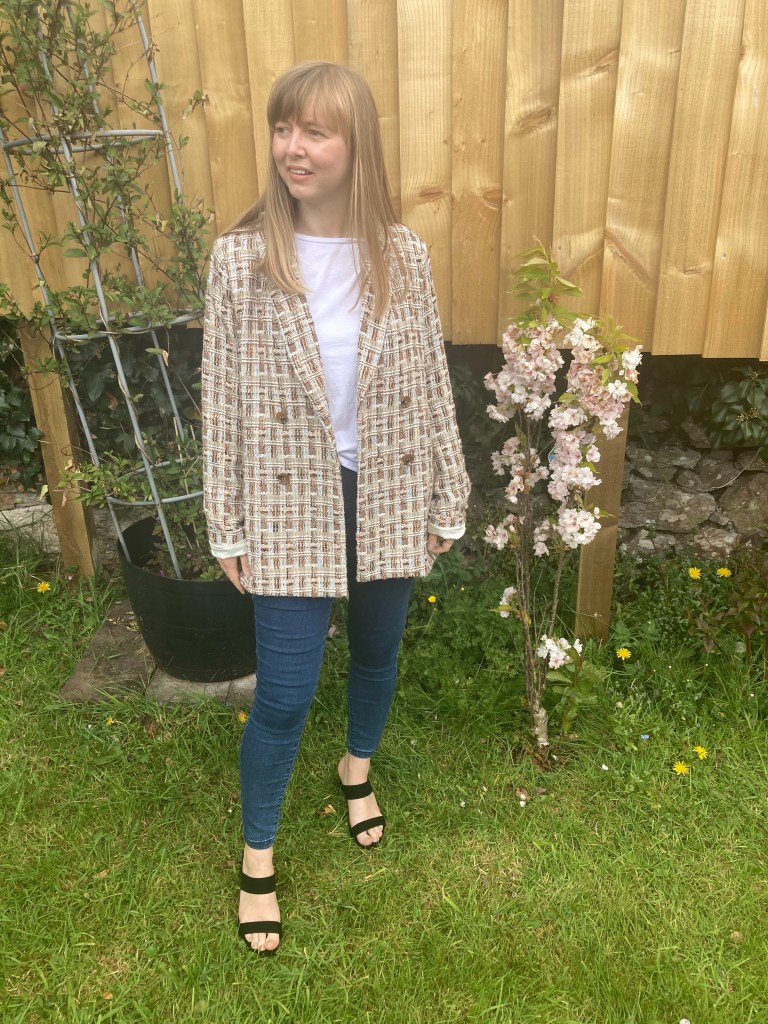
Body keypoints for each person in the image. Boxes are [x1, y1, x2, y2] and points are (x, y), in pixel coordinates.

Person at [201, 60, 470, 956]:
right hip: (288, 501)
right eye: (284, 128)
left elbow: (430, 379)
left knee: (378, 652)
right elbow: (220, 403)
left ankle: (357, 766)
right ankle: (259, 855)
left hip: (387, 486)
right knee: (282, 694)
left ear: (358, 146)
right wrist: (227, 521)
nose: (294, 148)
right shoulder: (240, 260)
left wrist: (447, 490)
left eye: (314, 131)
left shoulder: (404, 255)